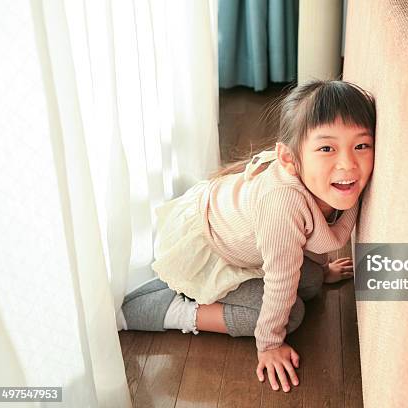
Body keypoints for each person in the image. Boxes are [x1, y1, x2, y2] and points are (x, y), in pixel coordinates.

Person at [118, 79, 376, 393]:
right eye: (326, 148)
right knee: (291, 314)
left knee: (309, 282)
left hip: (243, 243)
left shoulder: (325, 182)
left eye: (361, 145)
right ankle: (176, 307)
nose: (348, 163)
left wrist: (321, 270)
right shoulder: (282, 204)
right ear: (289, 160)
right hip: (210, 249)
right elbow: (283, 278)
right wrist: (269, 345)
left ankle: (184, 288)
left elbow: (321, 237)